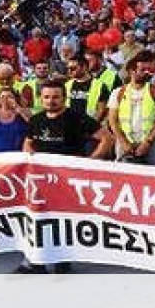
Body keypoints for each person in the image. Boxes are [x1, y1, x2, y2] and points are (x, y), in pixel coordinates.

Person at [17, 81, 113, 274]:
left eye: (55, 97)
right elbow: (28, 143)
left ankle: (62, 260)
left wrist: (89, 162)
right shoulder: (36, 120)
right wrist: (29, 158)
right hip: (41, 180)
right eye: (46, 97)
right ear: (40, 98)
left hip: (67, 180)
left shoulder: (76, 118)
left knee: (63, 221)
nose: (51, 101)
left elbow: (106, 138)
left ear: (64, 98)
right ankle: (36, 262)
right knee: (37, 219)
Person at [106, 52, 155, 164]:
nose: (147, 73)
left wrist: (148, 142)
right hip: (125, 145)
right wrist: (123, 142)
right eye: (143, 70)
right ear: (132, 70)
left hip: (152, 144)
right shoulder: (118, 92)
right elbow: (112, 120)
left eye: (149, 70)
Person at [64, 55, 108, 123]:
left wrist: (90, 127)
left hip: (89, 127)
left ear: (84, 67)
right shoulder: (67, 85)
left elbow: (101, 110)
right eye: (68, 68)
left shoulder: (100, 86)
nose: (69, 71)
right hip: (69, 126)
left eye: (73, 68)